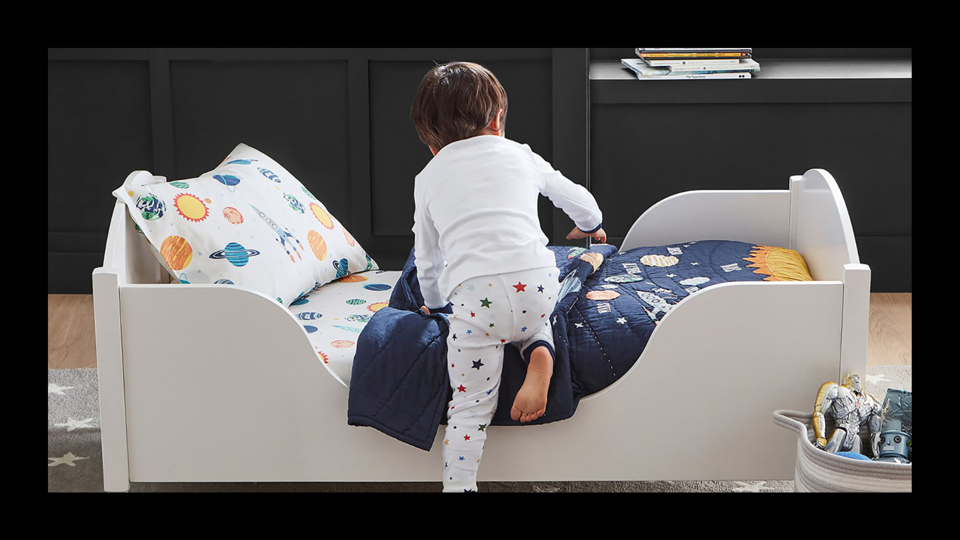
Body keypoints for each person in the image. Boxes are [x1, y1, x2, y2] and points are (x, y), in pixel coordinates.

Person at [410, 61, 606, 492]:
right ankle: (539, 349)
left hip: (477, 303)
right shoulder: (520, 153)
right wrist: (590, 226)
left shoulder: (427, 178)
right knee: (544, 308)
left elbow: (427, 260)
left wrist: (435, 304)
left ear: (430, 143)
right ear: (497, 120)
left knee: (470, 407)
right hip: (535, 287)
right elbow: (581, 201)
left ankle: (459, 486)